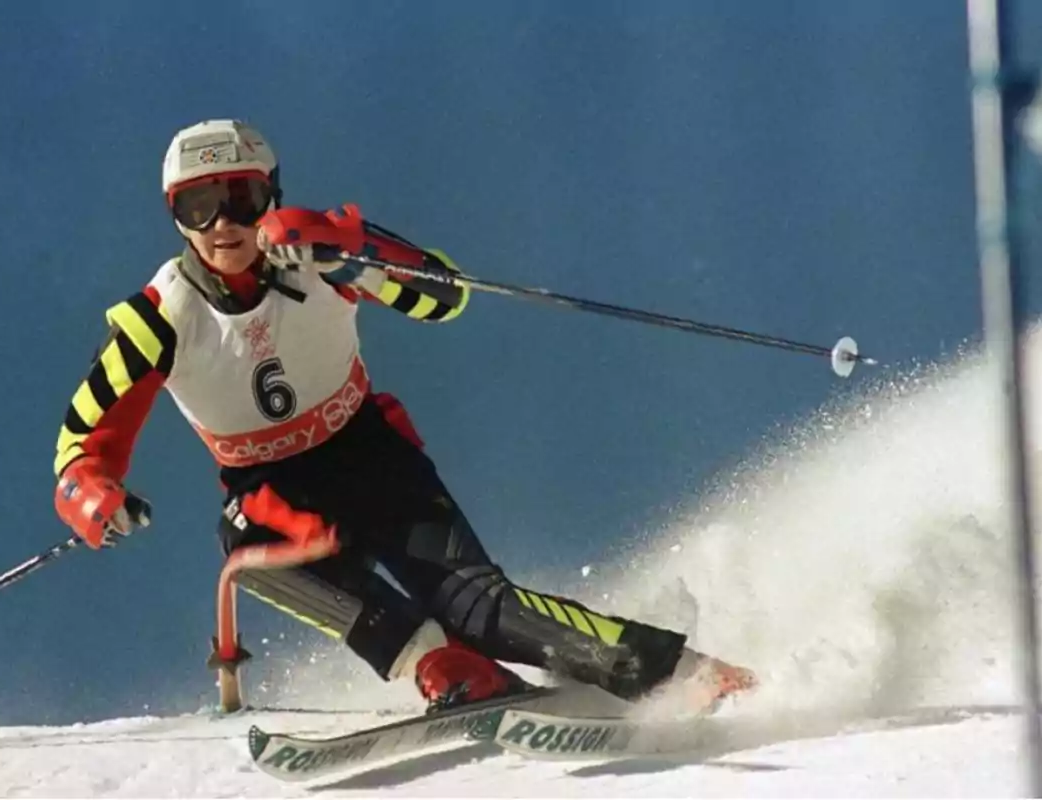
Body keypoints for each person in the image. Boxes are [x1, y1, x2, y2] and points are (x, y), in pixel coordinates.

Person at [52, 118, 756, 714]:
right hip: (271, 491)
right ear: (174, 215)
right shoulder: (159, 317)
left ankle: (680, 673)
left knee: (480, 609)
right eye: (197, 206)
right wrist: (93, 496)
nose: (222, 224)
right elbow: (84, 439)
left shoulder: (317, 252)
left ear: (272, 194)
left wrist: (349, 255)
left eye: (241, 197)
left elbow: (444, 295)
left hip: (371, 457)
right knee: (248, 558)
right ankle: (445, 668)